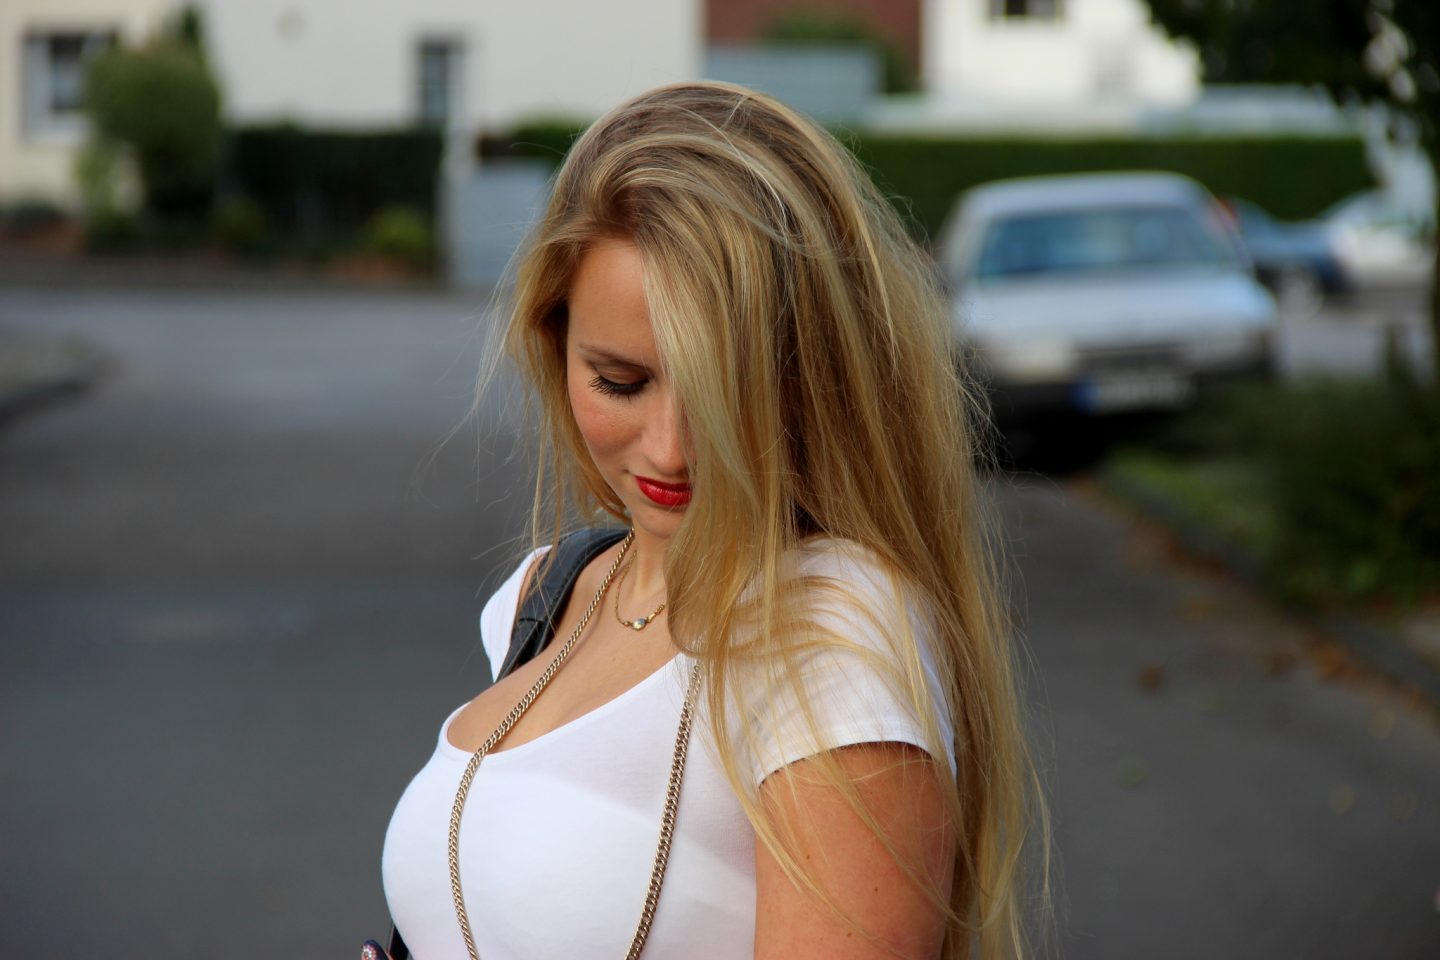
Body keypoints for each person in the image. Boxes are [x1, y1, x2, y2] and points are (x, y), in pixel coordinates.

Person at [377, 80, 1048, 960]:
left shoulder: (827, 634)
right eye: (620, 382)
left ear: (812, 377)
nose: (669, 450)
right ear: (553, 341)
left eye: (723, 393)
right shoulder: (546, 591)